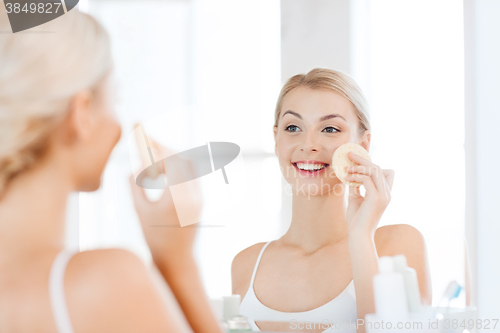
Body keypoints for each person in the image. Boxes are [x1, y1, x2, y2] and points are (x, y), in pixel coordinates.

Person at [0, 9, 223, 333]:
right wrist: (177, 262)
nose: (117, 123)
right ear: (82, 113)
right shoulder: (105, 285)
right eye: (112, 97)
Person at [231, 68, 433, 333]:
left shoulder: (396, 247)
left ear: (363, 143)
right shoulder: (245, 264)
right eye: (293, 127)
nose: (309, 144)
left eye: (330, 128)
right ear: (276, 138)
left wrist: (361, 236)